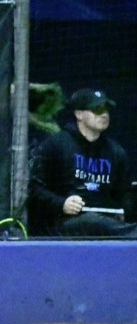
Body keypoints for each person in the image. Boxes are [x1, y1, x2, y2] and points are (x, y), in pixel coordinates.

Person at [28, 88, 136, 237]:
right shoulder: (56, 145)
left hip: (108, 223)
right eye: (97, 109)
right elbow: (34, 190)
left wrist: (123, 210)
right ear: (79, 114)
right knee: (92, 222)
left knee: (99, 222)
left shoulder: (116, 151)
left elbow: (125, 193)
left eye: (106, 109)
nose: (104, 114)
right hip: (62, 224)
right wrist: (62, 204)